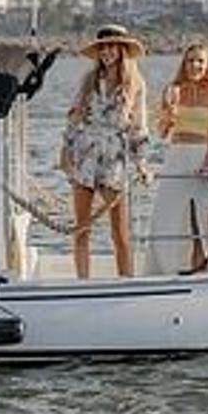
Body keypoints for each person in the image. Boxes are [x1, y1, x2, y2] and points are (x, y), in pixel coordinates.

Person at [58, 24, 150, 279]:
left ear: (121, 49)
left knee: (119, 231)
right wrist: (65, 152)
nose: (107, 51)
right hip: (85, 153)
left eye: (112, 46)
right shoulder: (87, 81)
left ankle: (126, 280)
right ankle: (82, 282)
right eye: (102, 47)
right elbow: (74, 118)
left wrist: (141, 163)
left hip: (114, 157)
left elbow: (139, 126)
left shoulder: (135, 84)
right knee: (82, 228)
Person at [143, 40, 208, 275]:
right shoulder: (173, 90)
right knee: (166, 214)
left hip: (201, 156)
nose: (195, 65)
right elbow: (162, 133)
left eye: (200, 61)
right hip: (176, 156)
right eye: (191, 60)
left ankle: (204, 268)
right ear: (184, 63)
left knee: (201, 216)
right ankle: (166, 269)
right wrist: (169, 114)